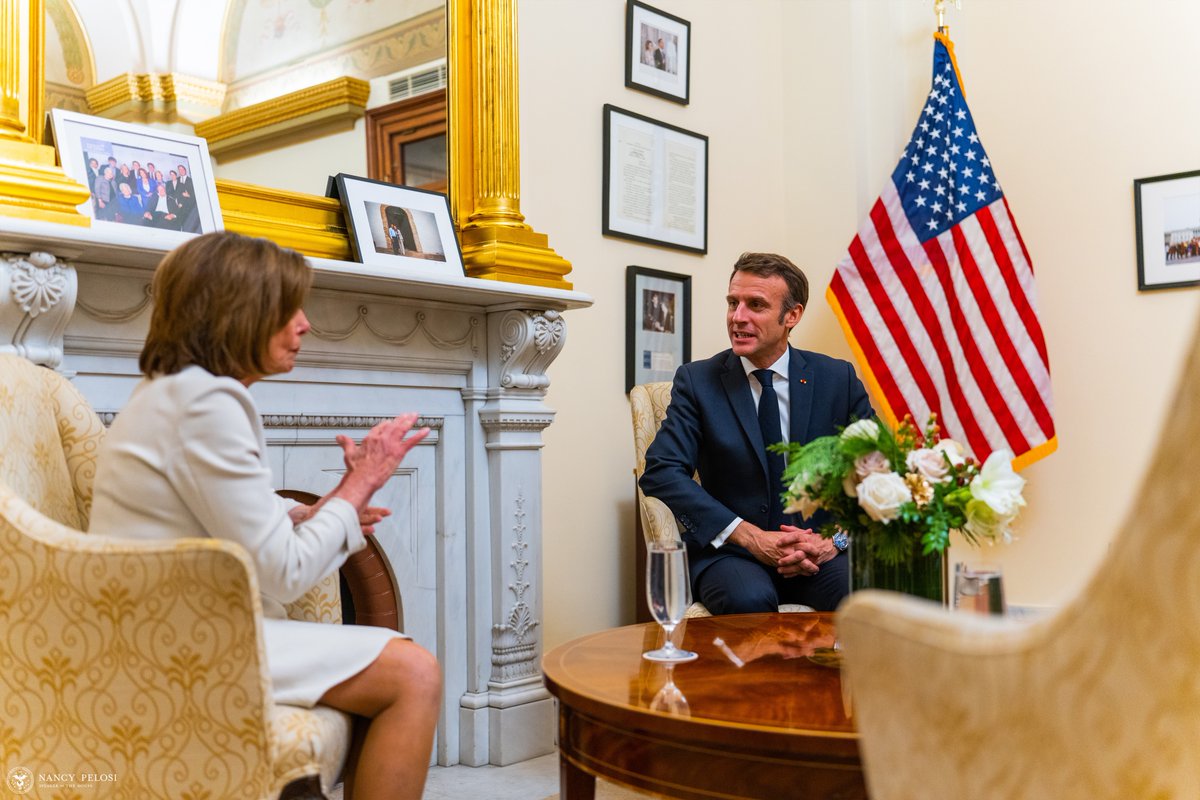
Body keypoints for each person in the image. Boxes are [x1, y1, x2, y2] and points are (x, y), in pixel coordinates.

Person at [88, 232, 440, 800]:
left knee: (398, 663)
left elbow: (218, 514)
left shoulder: (174, 393)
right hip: (185, 639)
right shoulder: (208, 404)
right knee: (414, 673)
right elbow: (283, 573)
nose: (305, 324)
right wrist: (359, 483)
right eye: (287, 309)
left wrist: (316, 511)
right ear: (239, 314)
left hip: (166, 624)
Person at [639, 252, 873, 614]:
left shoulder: (836, 379)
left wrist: (835, 541)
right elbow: (661, 470)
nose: (738, 317)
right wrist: (749, 536)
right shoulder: (697, 381)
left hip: (818, 552)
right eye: (733, 303)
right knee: (749, 600)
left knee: (863, 598)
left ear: (792, 315)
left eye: (756, 305)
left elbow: (878, 472)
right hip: (733, 554)